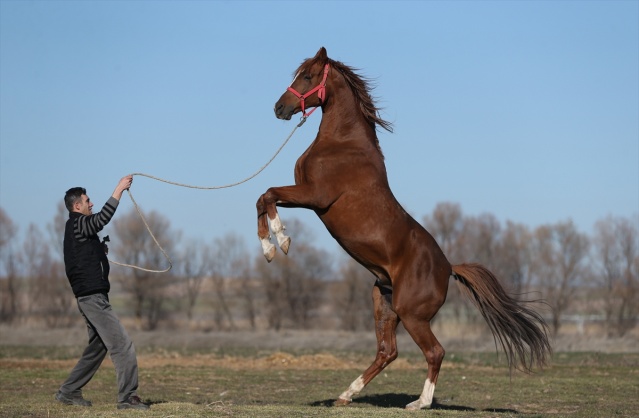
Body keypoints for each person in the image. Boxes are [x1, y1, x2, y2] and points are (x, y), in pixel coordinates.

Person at [55, 175, 149, 410]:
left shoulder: (78, 229)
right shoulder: (77, 223)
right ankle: (128, 397)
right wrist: (118, 190)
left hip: (90, 298)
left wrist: (98, 252)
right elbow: (100, 220)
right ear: (77, 206)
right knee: (122, 345)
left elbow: (86, 246)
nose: (91, 204)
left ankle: (68, 391)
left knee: (97, 347)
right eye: (88, 201)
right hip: (93, 299)